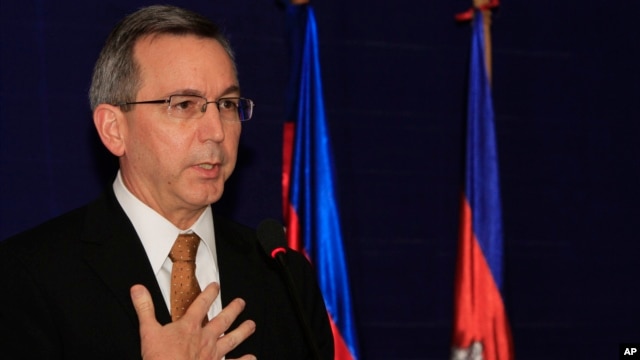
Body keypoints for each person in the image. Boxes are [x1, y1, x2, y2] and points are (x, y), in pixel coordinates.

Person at [0, 5, 334, 359]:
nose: (217, 131)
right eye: (185, 104)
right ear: (114, 130)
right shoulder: (27, 277)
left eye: (226, 103)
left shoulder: (285, 276)